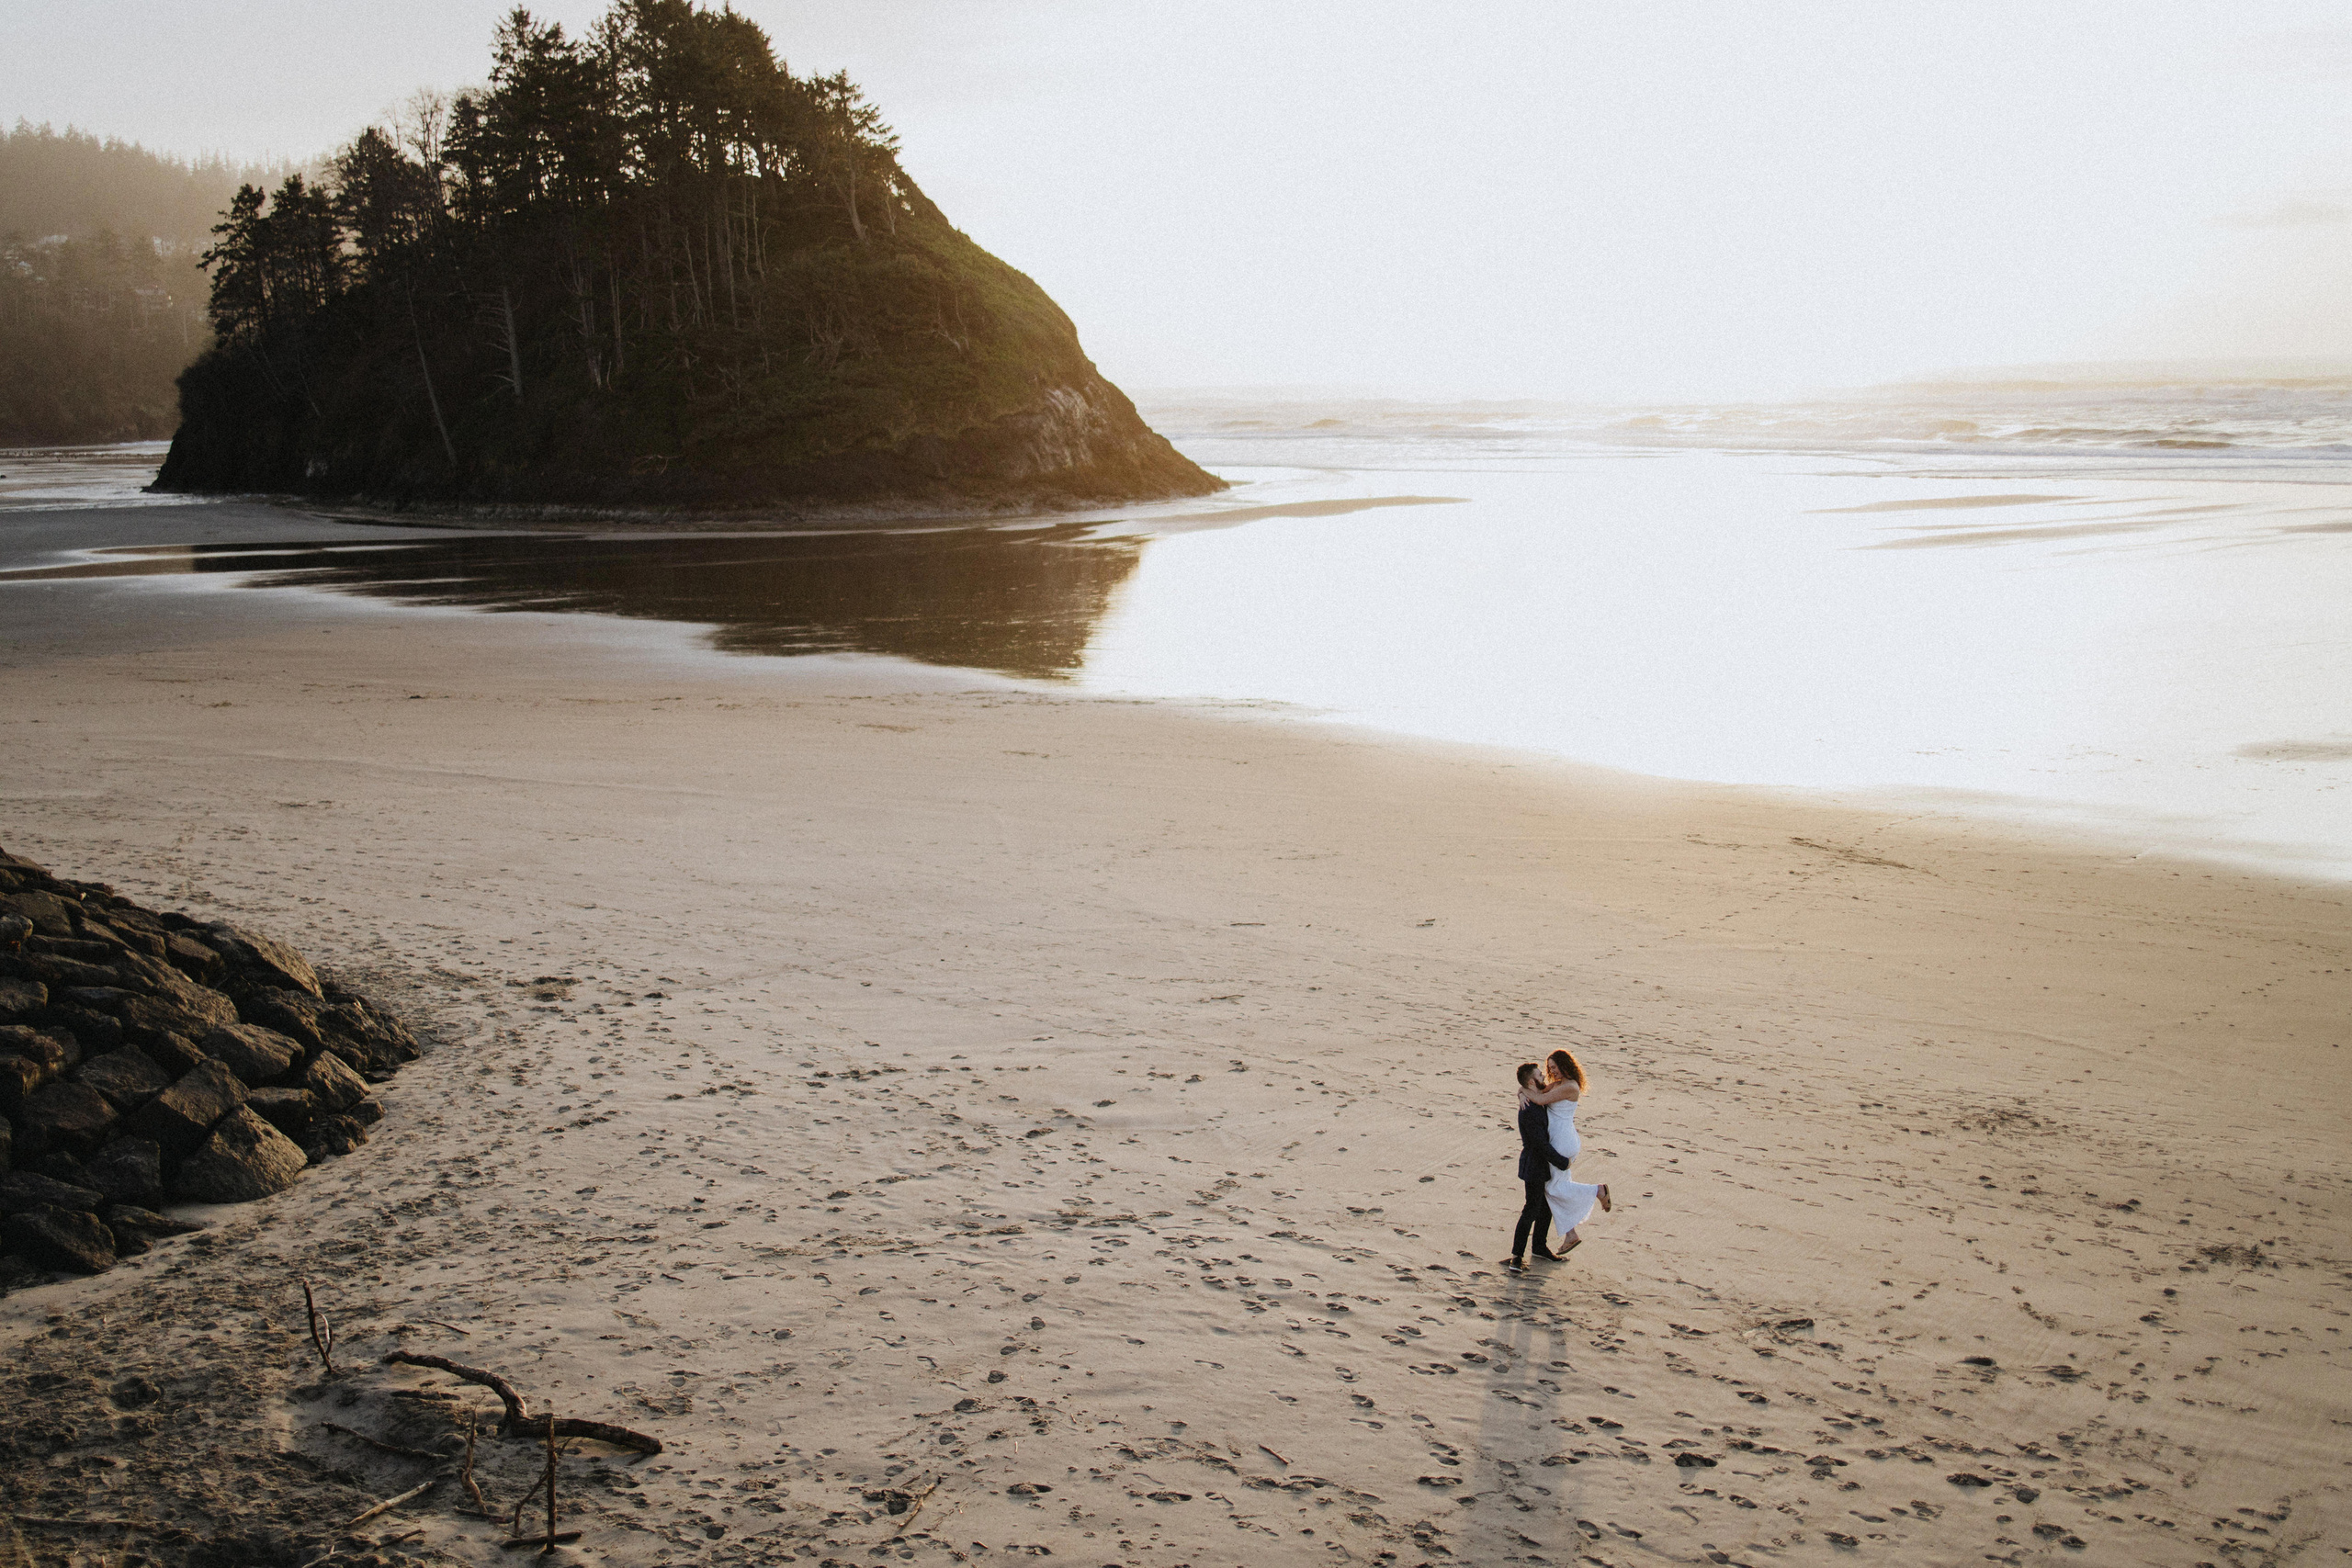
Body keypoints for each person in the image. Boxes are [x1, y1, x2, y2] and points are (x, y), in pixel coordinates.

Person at [1519, 1047, 1611, 1257]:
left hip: (1563, 1140)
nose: (1552, 1071)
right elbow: (1536, 1090)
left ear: (1564, 1065)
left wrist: (1523, 1091)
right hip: (1559, 1139)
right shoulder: (1558, 1084)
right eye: (1549, 1068)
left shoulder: (1570, 1087)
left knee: (1553, 1188)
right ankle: (1570, 1235)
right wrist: (1521, 1091)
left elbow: (1540, 1099)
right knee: (1554, 1187)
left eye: (1555, 1067)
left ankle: (1597, 1190)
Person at [1505, 1061, 1569, 1272]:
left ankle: (1539, 1247)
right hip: (1534, 1165)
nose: (1544, 1077)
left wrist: (1522, 1091)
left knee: (1545, 1206)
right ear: (1532, 1081)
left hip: (1540, 1164)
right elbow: (1540, 1144)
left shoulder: (1535, 1099)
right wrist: (1561, 1161)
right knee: (1531, 1209)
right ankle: (1516, 1256)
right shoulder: (1529, 1109)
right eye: (1540, 1075)